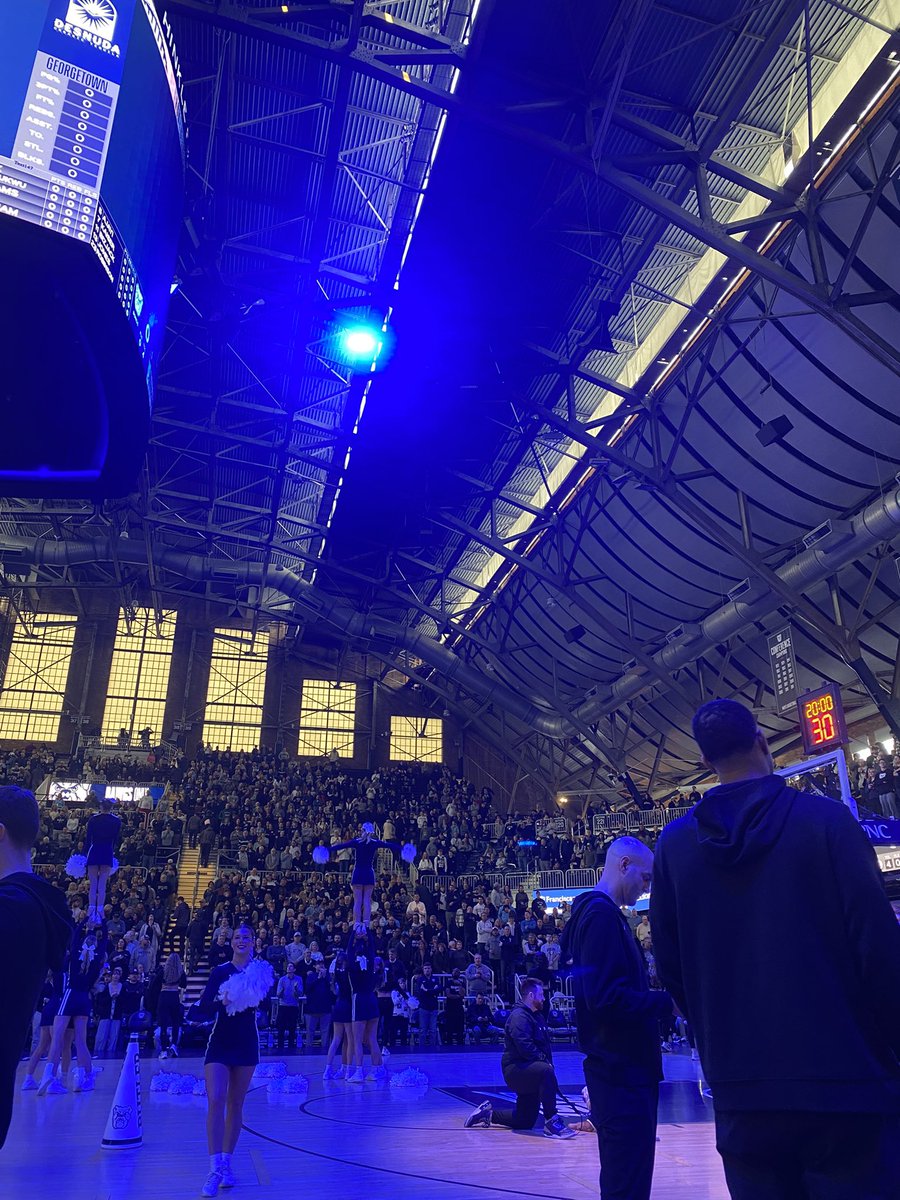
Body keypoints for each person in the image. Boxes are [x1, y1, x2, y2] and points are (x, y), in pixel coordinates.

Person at [652, 699, 900, 1200]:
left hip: (742, 1091)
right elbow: (879, 950)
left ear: (704, 762)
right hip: (844, 1084)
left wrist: (718, 1038)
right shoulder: (827, 822)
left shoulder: (674, 848)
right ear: (762, 740)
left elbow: (671, 966)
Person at [560, 836, 672, 1200]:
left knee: (626, 1181)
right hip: (622, 1073)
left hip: (619, 1071)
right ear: (624, 865)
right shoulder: (600, 916)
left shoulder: (595, 914)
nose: (646, 887)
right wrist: (666, 1003)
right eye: (645, 877)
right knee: (628, 1185)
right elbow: (605, 999)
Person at [198, 922, 274, 1197]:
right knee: (216, 1098)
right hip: (220, 1042)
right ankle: (213, 1168)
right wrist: (223, 999)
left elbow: (265, 1006)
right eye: (237, 937)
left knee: (236, 1103)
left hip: (246, 1043)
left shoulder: (261, 972)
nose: (242, 941)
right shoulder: (220, 972)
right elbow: (206, 1005)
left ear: (254, 942)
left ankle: (227, 1163)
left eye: (247, 937)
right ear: (231, 943)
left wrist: (255, 992)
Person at [464, 977, 574, 1138]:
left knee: (525, 1120)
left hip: (530, 1069)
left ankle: (487, 1115)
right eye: (541, 994)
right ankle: (551, 1121)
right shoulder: (519, 1017)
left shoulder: (537, 1016)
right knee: (544, 1071)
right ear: (531, 996)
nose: (544, 998)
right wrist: (546, 1065)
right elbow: (525, 1047)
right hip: (516, 1070)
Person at [38, 919, 109, 1095]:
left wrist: (86, 922)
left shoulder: (76, 951)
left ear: (84, 943)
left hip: (70, 996)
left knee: (58, 1039)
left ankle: (49, 1074)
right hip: (84, 998)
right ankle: (84, 1077)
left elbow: (75, 935)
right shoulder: (99, 957)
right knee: (81, 1041)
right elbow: (105, 941)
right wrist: (104, 924)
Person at [313, 824, 404, 932]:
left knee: (362, 900)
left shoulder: (359, 841)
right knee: (361, 899)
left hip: (361, 872)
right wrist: (403, 849)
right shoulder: (372, 842)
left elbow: (341, 846)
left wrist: (325, 850)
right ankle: (362, 923)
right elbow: (389, 845)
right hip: (366, 872)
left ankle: (360, 923)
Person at [348, 928, 386, 1082]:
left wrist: (353, 932)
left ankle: (359, 1072)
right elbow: (372, 947)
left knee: (357, 1040)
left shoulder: (352, 963)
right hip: (372, 1000)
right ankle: (378, 1069)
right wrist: (367, 930)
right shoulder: (371, 963)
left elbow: (348, 949)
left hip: (360, 1000)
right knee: (372, 1038)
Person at [84, 797, 121, 923]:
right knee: (102, 884)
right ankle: (100, 909)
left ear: (101, 807)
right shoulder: (116, 821)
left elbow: (88, 838)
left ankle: (91, 908)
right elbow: (116, 839)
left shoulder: (93, 819)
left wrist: (84, 854)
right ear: (111, 808)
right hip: (107, 850)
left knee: (93, 883)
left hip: (95, 849)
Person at [322, 952, 351, 1077]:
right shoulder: (348, 975)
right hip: (348, 1007)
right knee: (349, 1040)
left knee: (336, 1039)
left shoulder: (335, 976)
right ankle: (347, 1070)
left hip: (338, 1007)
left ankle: (328, 1070)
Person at [156, 952, 187, 1058]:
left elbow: (155, 983)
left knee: (163, 1025)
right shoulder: (181, 972)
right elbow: (184, 985)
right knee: (175, 1024)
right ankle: (173, 1045)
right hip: (174, 997)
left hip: (163, 997)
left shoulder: (162, 971)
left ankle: (164, 1050)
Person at [275, 961, 303, 1053]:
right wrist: (282, 989)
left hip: (293, 1007)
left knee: (292, 1028)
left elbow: (300, 994)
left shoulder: (299, 979)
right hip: (283, 1006)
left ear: (294, 969)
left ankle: (291, 1049)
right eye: (288, 966)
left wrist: (295, 989)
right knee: (281, 1029)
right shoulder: (282, 979)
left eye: (291, 966)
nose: (289, 968)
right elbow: (278, 995)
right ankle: (280, 1049)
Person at [414, 962, 441, 1046]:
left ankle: (432, 1049)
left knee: (433, 1030)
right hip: (424, 1007)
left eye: (428, 968)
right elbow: (420, 993)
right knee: (423, 1030)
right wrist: (432, 991)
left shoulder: (436, 979)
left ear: (431, 969)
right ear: (423, 970)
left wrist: (426, 990)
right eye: (425, 968)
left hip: (433, 1007)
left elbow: (438, 991)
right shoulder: (420, 980)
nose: (427, 970)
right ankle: (421, 1049)